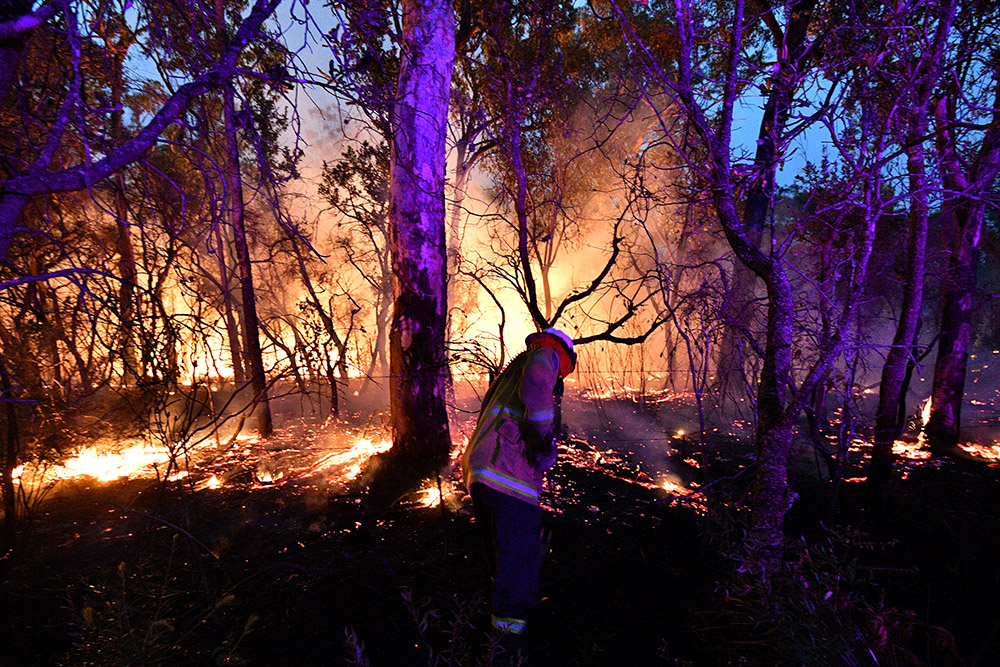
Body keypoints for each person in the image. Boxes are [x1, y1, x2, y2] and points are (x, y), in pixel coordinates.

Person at [461, 327, 577, 648]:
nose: (561, 377)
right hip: (509, 477)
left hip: (483, 474)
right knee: (517, 568)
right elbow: (540, 377)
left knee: (502, 565)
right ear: (565, 356)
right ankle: (509, 649)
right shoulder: (545, 354)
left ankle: (494, 639)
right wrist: (543, 440)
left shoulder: (509, 375)